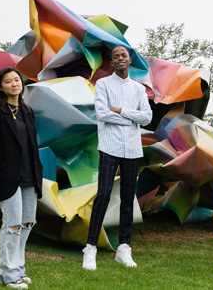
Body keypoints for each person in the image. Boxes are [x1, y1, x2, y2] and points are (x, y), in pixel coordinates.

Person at [82, 45, 152, 270]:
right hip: (109, 147)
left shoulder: (139, 89)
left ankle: (124, 248)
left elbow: (148, 118)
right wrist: (133, 118)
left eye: (124, 55)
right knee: (102, 194)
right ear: (111, 62)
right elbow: (102, 114)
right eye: (116, 57)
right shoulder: (102, 84)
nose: (120, 59)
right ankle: (90, 247)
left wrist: (121, 112)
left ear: (129, 59)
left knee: (127, 197)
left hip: (132, 150)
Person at [0, 67, 43, 289]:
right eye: (8, 81)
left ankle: (18, 268)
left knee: (26, 223)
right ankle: (7, 274)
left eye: (17, 80)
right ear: (0, 87)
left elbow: (32, 145)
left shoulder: (27, 111)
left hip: (30, 175)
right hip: (7, 176)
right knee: (12, 224)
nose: (14, 84)